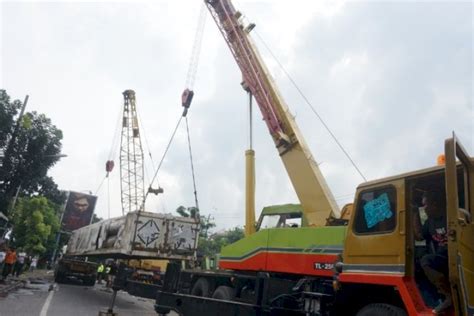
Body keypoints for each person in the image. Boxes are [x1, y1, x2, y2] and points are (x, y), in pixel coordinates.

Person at [413, 191, 450, 314]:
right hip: (443, 259)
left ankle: (449, 296)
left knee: (426, 260)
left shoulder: (449, 217)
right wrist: (414, 214)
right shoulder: (430, 222)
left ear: (434, 204)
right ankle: (443, 296)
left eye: (425, 205)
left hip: (456, 256)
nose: (424, 208)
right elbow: (419, 236)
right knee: (422, 261)